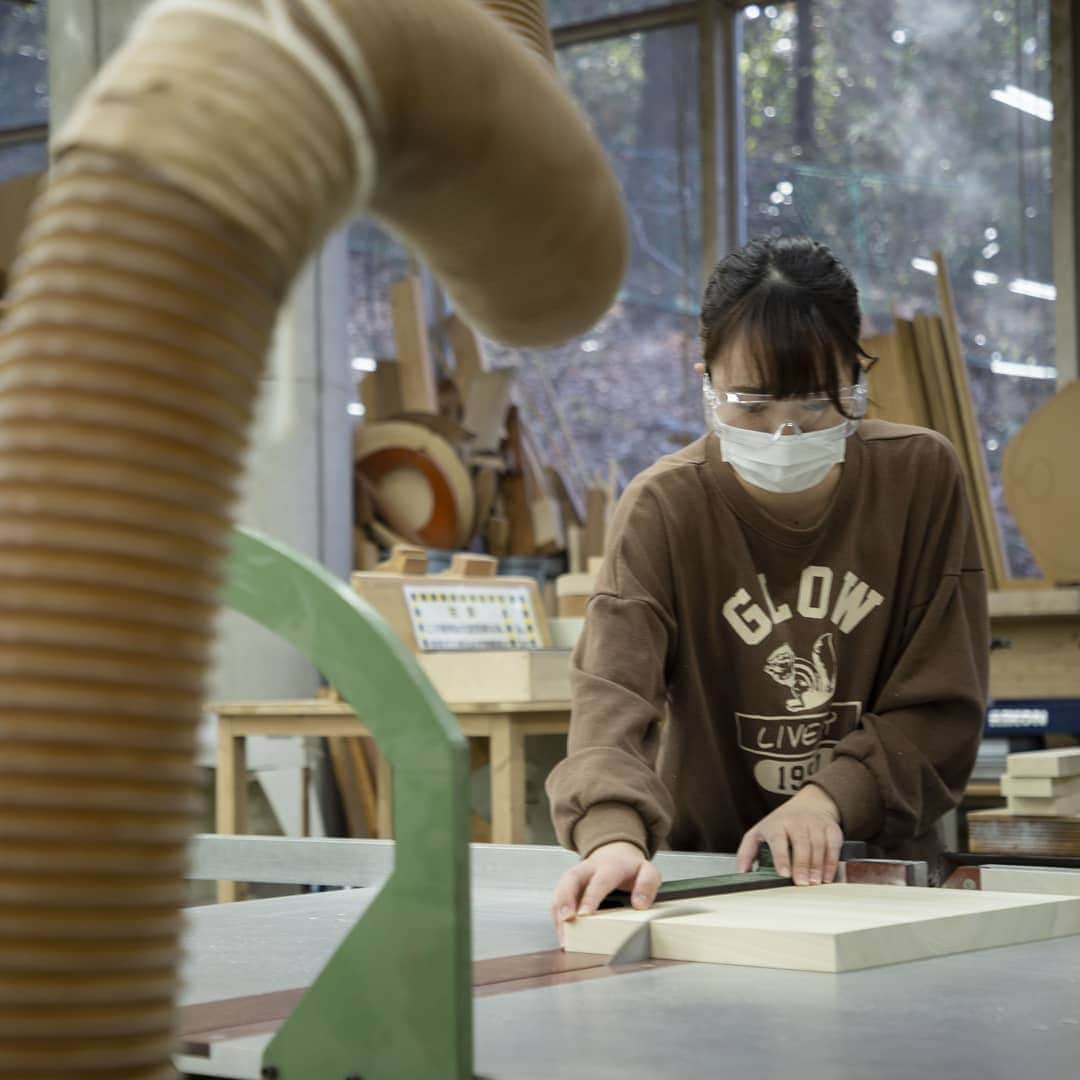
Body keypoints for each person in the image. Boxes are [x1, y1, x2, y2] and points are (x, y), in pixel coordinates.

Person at [546, 235, 989, 939]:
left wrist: (830, 799)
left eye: (816, 405)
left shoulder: (920, 479)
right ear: (705, 379)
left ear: (858, 374)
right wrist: (614, 837)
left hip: (884, 883)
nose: (784, 433)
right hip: (711, 880)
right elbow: (611, 696)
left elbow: (943, 704)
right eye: (750, 406)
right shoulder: (666, 506)